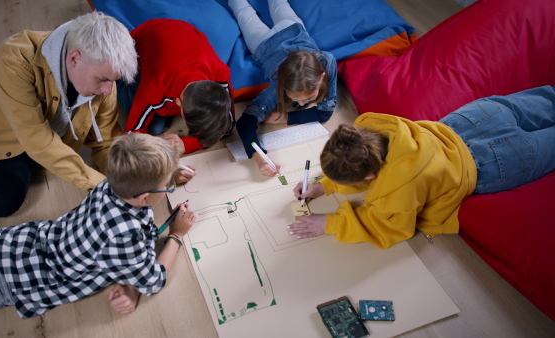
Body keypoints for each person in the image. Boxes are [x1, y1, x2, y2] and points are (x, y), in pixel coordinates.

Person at [0, 133, 195, 319]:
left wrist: (165, 169)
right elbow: (153, 280)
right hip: (5, 282)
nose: (169, 187)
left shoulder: (111, 184)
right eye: (168, 185)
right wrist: (176, 235)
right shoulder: (123, 236)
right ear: (144, 197)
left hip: (7, 242)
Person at [289, 86, 555, 249]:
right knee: (549, 98)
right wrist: (321, 185)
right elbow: (356, 157)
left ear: (370, 176)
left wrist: (331, 224)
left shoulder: (398, 189)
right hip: (475, 118)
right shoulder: (374, 128)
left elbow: (387, 227)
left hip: (494, 161)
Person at [0, 12, 138, 218]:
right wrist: (102, 187)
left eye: (113, 80)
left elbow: (105, 142)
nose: (108, 90)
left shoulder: (101, 79)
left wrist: (125, 179)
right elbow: (38, 142)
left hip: (25, 131)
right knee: (1, 200)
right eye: (102, 79)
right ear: (74, 58)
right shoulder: (13, 61)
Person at [229, 0, 338, 177]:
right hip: (263, 43)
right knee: (240, 7)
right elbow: (245, 122)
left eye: (308, 98)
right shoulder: (277, 85)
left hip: (292, 28)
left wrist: (285, 117)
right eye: (295, 98)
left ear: (322, 77)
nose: (302, 103)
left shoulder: (328, 63)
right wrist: (259, 156)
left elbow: (325, 114)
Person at [120, 18, 236, 163]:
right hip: (141, 41)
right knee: (155, 129)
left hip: (186, 30)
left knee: (207, 123)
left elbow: (227, 124)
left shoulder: (220, 74)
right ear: (178, 103)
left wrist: (185, 144)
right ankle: (120, 83)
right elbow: (130, 136)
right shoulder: (153, 89)